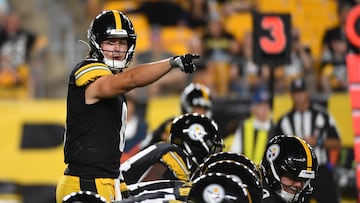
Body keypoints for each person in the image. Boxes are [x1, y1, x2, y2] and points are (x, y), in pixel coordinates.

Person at [56, 10, 200, 203]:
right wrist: (171, 63)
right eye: (110, 42)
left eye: (122, 43)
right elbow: (129, 80)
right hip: (86, 184)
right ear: (97, 43)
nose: (117, 49)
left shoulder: (111, 78)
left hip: (107, 180)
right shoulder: (88, 69)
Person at [273, 78, 341, 203]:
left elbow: (337, 143)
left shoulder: (323, 115)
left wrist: (318, 142)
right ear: (291, 95)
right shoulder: (284, 121)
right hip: (295, 175)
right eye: (296, 93)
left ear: (307, 93)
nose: (299, 97)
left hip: (320, 172)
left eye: (301, 92)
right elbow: (276, 149)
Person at [120, 113, 223, 185]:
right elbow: (144, 191)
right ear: (197, 144)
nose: (214, 154)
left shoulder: (172, 153)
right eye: (213, 148)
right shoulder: (173, 155)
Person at [143, 82, 213, 147]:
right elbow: (145, 147)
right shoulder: (173, 126)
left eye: (204, 108)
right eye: (198, 107)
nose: (201, 112)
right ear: (187, 106)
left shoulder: (211, 130)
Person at [260, 134, 318, 203]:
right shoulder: (252, 194)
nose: (299, 184)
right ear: (270, 171)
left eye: (304, 180)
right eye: (292, 177)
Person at [223, 88, 274, 164]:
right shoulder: (244, 126)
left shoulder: (274, 128)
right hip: (246, 170)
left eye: (266, 105)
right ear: (254, 108)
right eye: (261, 105)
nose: (264, 108)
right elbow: (235, 151)